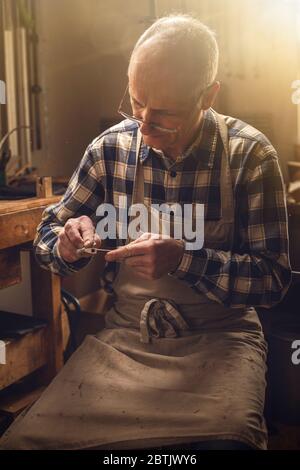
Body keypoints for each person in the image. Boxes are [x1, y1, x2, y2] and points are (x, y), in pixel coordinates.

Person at [0, 14, 291, 451]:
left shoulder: (250, 156)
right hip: (126, 341)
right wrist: (66, 244)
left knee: (226, 445)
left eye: (165, 115)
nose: (144, 125)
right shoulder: (110, 150)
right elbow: (47, 236)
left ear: (208, 96)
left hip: (221, 341)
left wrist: (185, 261)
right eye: (136, 104)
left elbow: (273, 281)